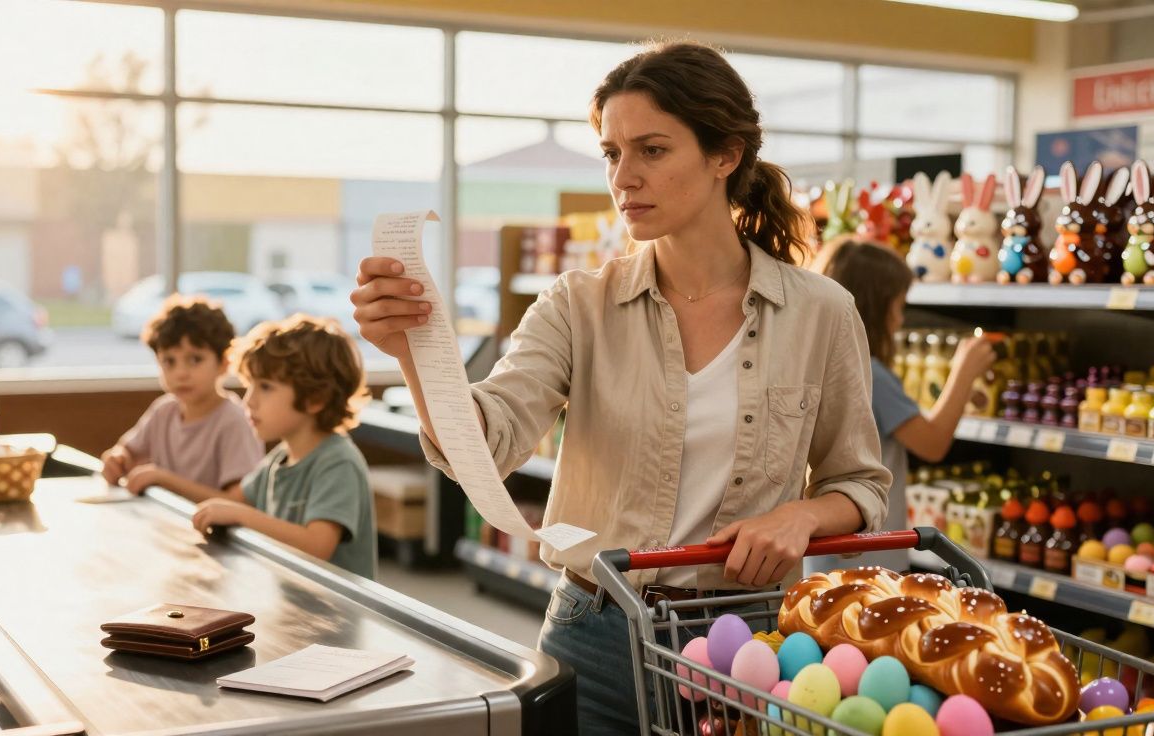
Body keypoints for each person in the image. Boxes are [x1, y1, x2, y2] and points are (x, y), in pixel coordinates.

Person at [350, 40, 889, 733]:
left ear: (725, 155)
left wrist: (804, 516)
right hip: (593, 634)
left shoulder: (821, 313)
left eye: (652, 151)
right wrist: (413, 353)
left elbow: (862, 484)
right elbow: (490, 445)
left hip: (749, 644)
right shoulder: (579, 304)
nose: (623, 177)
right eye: (611, 153)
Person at [815, 239, 996, 571]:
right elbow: (933, 443)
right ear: (874, 307)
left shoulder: (828, 363)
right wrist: (964, 371)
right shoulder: (870, 373)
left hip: (830, 557)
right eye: (898, 307)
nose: (899, 321)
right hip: (872, 559)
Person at [190, 315, 377, 579]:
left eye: (265, 387)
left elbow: (317, 545)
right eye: (249, 385)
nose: (249, 402)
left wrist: (242, 516)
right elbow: (229, 502)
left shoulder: (338, 461)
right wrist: (160, 478)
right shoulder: (280, 457)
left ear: (315, 399)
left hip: (335, 615)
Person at [101, 295, 264, 502]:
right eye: (169, 361)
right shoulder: (163, 411)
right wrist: (117, 459)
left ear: (224, 362)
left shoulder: (235, 421)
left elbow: (238, 503)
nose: (181, 373)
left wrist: (164, 480)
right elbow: (127, 451)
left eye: (195, 359)